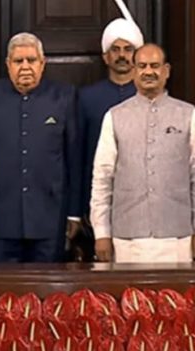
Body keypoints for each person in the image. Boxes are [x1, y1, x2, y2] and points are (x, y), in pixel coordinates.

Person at [90, 44, 195, 263]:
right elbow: (102, 178)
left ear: (166, 71)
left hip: (177, 236)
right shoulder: (114, 116)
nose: (148, 72)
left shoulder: (188, 114)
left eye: (155, 66)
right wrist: (101, 233)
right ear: (134, 71)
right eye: (142, 66)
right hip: (127, 236)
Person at [0, 32, 82, 262]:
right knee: (5, 292)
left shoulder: (64, 96)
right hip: (1, 216)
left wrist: (74, 213)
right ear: (8, 65)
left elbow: (74, 159)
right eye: (19, 61)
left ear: (43, 64)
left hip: (51, 215)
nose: (26, 67)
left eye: (32, 60)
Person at [78, 17, 143, 215]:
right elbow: (79, 154)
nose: (122, 55)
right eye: (115, 49)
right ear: (106, 57)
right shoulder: (86, 98)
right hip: (99, 199)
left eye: (128, 49)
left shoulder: (151, 95)